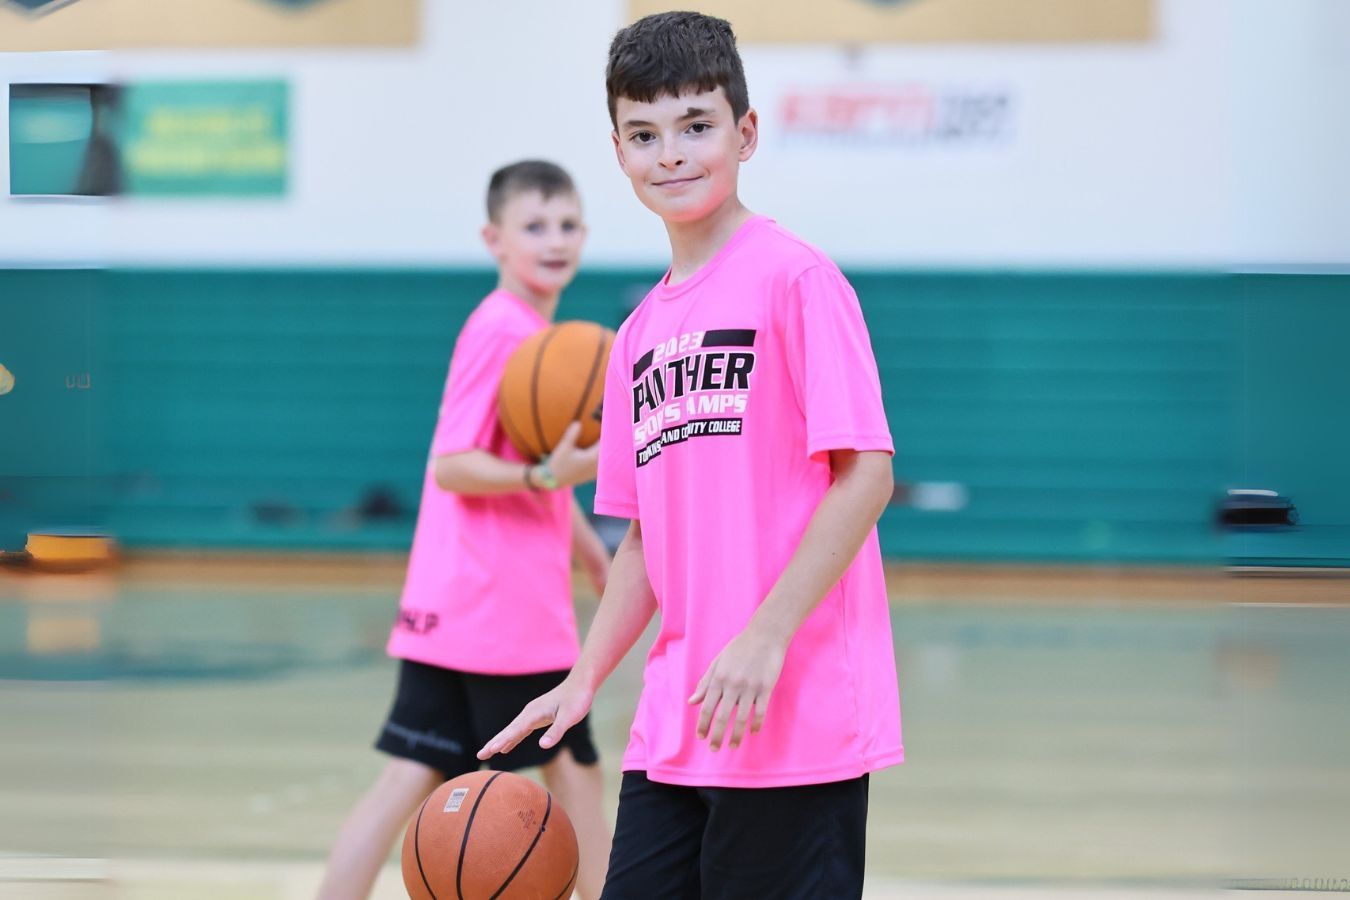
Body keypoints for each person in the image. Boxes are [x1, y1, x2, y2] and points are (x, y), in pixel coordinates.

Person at [479, 14, 902, 900]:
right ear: (619, 152)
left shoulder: (797, 281)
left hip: (792, 718)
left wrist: (766, 634)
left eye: (696, 126)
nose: (670, 154)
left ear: (745, 133)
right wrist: (583, 678)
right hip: (674, 727)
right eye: (645, 135)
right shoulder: (637, 335)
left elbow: (866, 474)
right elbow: (643, 542)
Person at [317, 160, 613, 900]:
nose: (555, 240)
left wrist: (589, 552)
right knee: (575, 768)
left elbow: (533, 469)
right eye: (534, 226)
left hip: (455, 600)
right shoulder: (504, 329)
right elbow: (453, 465)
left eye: (568, 224)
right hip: (501, 608)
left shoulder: (526, 331)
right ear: (494, 238)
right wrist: (549, 476)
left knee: (407, 774)